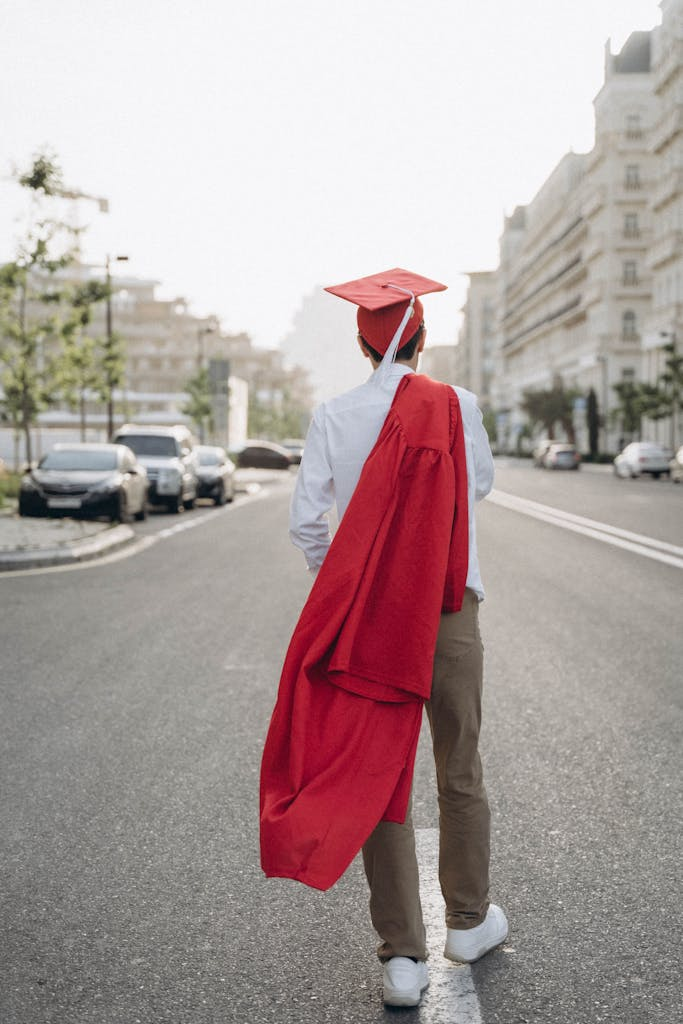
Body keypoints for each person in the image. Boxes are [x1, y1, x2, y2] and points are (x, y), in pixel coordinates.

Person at [272, 268, 508, 1008]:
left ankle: (401, 958)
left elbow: (307, 523)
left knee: (379, 778)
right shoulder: (455, 404)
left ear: (359, 342)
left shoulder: (332, 416)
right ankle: (467, 923)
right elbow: (479, 487)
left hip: (367, 621)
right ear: (421, 335)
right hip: (445, 609)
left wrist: (346, 577)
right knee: (458, 767)